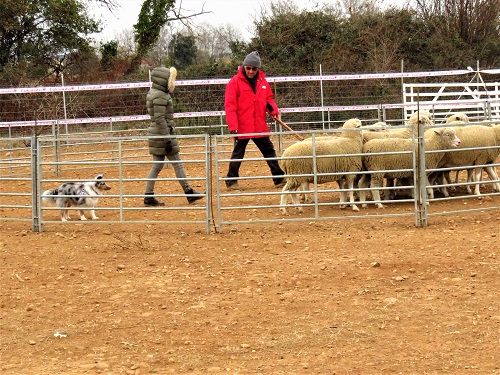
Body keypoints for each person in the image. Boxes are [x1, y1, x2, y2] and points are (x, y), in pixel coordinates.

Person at [224, 51, 285, 190]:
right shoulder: (234, 83)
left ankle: (279, 179)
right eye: (248, 68)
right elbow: (230, 106)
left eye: (254, 68)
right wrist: (233, 126)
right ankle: (231, 181)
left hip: (259, 125)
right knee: (238, 153)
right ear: (244, 67)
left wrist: (273, 110)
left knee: (269, 151)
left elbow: (268, 99)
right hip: (242, 126)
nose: (251, 71)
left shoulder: (263, 82)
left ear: (258, 69)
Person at [144, 66, 203, 206]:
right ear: (164, 80)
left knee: (157, 166)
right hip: (163, 133)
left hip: (157, 133)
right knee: (177, 163)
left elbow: (158, 118)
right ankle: (188, 192)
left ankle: (148, 196)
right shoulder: (160, 95)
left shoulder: (154, 92)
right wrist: (167, 138)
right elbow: (160, 118)